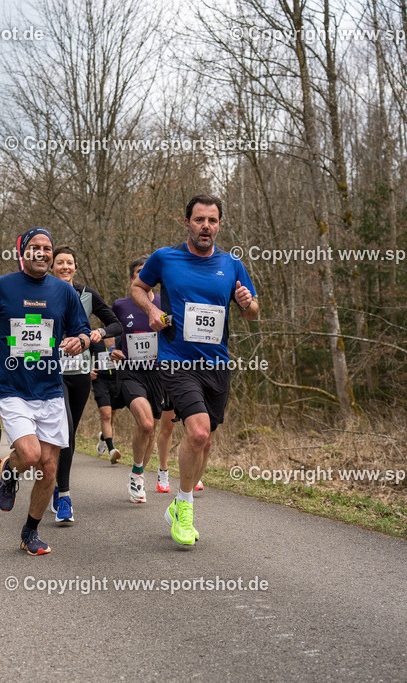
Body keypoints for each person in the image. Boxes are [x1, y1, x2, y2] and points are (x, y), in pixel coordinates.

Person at [131, 195, 258, 546]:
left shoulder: (231, 264)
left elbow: (253, 312)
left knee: (207, 441)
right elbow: (138, 287)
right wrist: (151, 312)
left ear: (219, 225)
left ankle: (178, 502)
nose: (206, 226)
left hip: (216, 362)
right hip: (176, 359)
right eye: (200, 219)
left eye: (212, 221)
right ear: (187, 222)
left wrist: (248, 304)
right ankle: (184, 506)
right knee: (198, 433)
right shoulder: (165, 258)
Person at [0, 228, 90, 555]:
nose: (43, 253)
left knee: (49, 467)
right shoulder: (2, 287)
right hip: (14, 389)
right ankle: (11, 469)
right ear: (23, 252)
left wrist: (81, 341)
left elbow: (83, 331)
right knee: (31, 454)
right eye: (36, 247)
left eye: (47, 248)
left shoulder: (64, 292)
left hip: (50, 389)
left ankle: (29, 531)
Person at [49, 246, 122, 523]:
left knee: (68, 434)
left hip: (79, 372)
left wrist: (98, 333)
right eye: (60, 263)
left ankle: (56, 485)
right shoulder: (42, 292)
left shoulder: (87, 295)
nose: (65, 267)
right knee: (63, 430)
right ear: (53, 266)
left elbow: (115, 324)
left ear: (75, 267)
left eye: (69, 263)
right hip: (49, 371)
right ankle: (65, 496)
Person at [110, 256, 177, 503]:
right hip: (130, 371)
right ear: (133, 279)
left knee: (152, 430)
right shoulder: (121, 305)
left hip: (158, 374)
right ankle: (138, 474)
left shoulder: (164, 304)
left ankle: (138, 472)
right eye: (139, 272)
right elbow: (110, 330)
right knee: (146, 424)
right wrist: (110, 350)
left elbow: (173, 333)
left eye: (148, 272)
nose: (144, 275)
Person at [90, 337, 124, 464]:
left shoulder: (121, 335)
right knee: (106, 415)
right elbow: (85, 355)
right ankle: (111, 450)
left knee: (111, 415)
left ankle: (103, 437)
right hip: (100, 380)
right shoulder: (95, 338)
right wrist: (88, 369)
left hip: (117, 380)